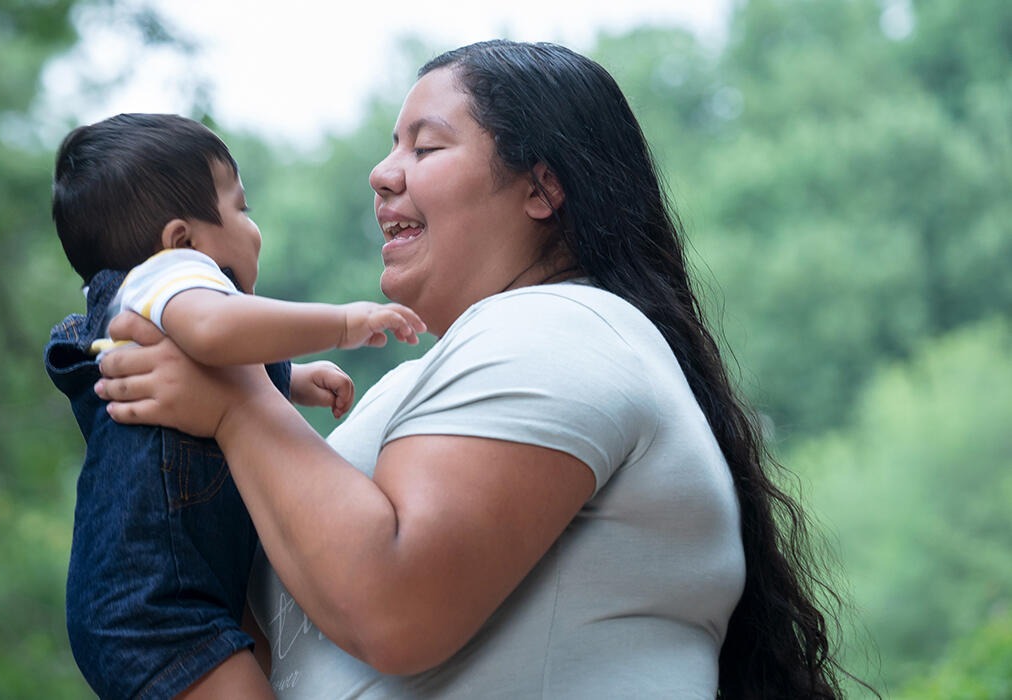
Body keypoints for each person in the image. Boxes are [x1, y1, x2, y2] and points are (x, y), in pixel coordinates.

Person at [94, 41, 854, 698]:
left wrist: (234, 399)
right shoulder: (436, 376)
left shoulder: (562, 325)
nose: (381, 174)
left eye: (426, 148)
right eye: (393, 146)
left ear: (541, 187)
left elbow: (394, 604)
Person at [43, 113, 425, 699]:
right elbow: (217, 331)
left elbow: (215, 355)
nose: (255, 230)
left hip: (175, 587)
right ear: (182, 240)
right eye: (241, 209)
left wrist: (290, 378)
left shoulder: (152, 301)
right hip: (156, 608)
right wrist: (344, 323)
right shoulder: (168, 274)